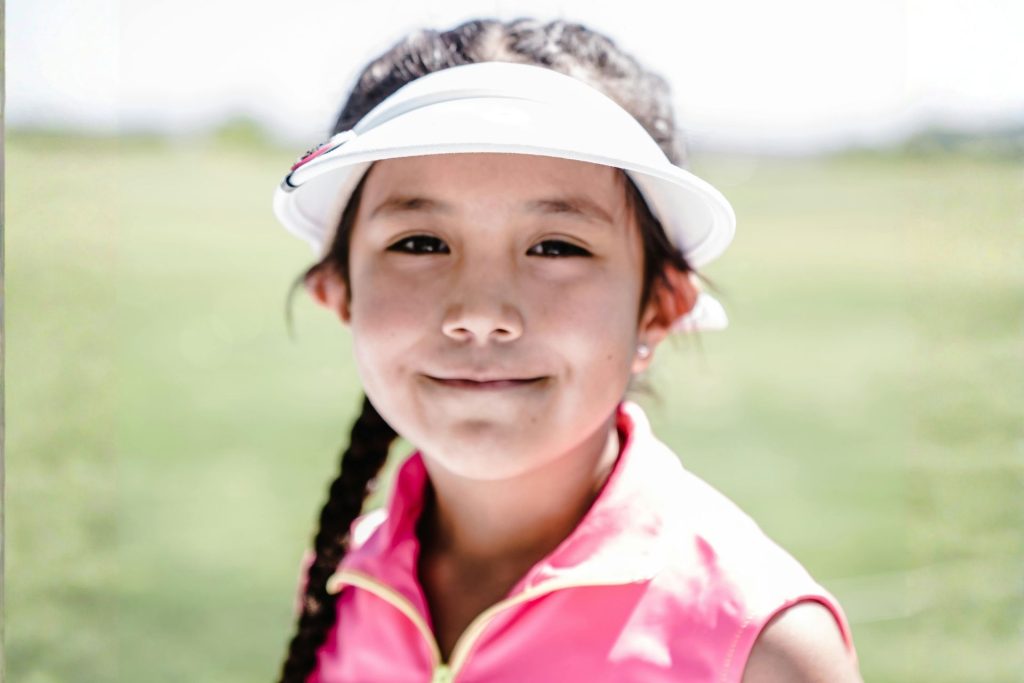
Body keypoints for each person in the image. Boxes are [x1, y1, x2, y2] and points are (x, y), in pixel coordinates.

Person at [271, 17, 862, 683]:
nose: (480, 315)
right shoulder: (342, 579)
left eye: (557, 246)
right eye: (420, 242)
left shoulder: (760, 644)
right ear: (339, 291)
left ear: (659, 306)